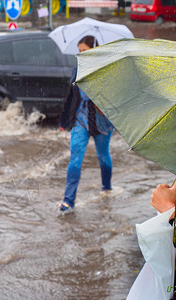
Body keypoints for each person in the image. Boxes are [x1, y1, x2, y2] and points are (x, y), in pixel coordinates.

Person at [58, 35, 114, 212]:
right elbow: (71, 96)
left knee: (103, 157)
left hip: (101, 122)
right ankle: (68, 201)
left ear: (94, 50)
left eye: (85, 50)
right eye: (79, 50)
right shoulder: (77, 69)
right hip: (80, 120)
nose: (81, 54)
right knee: (75, 159)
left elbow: (112, 98)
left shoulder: (104, 71)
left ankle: (106, 188)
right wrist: (63, 120)